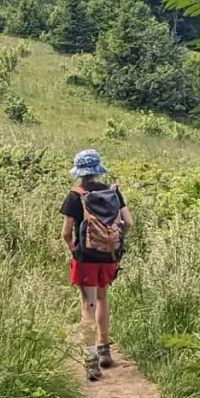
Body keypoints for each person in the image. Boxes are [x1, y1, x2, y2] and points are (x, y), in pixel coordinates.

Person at [60, 148, 132, 382]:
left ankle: (91, 362)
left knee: (87, 305)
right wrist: (113, 245)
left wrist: (74, 250)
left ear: (79, 172)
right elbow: (128, 222)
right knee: (102, 299)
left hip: (85, 260)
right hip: (109, 257)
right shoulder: (112, 193)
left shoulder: (75, 195)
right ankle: (104, 349)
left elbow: (66, 233)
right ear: (98, 170)